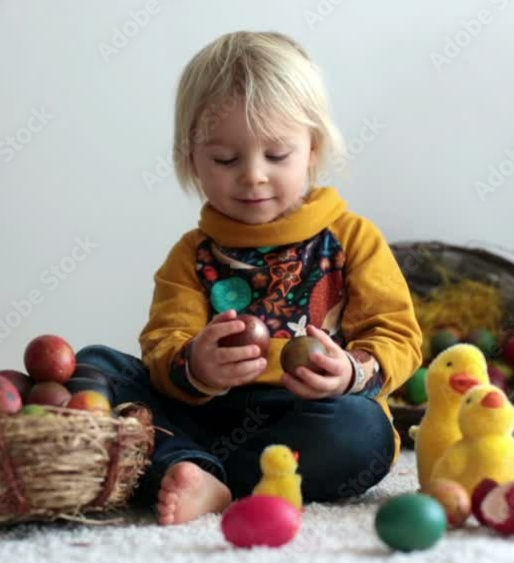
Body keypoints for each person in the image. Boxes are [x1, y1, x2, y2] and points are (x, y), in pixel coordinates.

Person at [76, 30, 422, 526]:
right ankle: (193, 466)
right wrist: (196, 365)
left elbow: (398, 335)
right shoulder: (192, 255)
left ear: (312, 149)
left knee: (361, 430)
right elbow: (162, 343)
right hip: (208, 414)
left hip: (308, 418)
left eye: (276, 155)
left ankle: (200, 473)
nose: (253, 175)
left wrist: (351, 372)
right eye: (225, 159)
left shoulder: (351, 238)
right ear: (192, 160)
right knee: (96, 367)